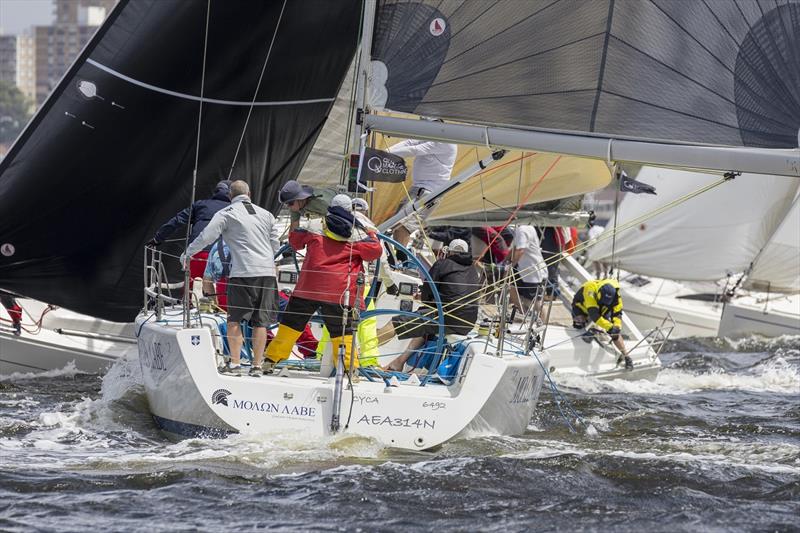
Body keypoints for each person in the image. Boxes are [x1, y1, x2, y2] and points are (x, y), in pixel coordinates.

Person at [264, 194, 383, 373]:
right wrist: (371, 233)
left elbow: (295, 242)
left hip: (308, 288)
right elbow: (375, 252)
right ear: (350, 210)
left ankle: (270, 361)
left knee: (290, 325)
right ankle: (349, 371)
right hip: (340, 292)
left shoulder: (315, 225)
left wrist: (295, 219)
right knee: (342, 333)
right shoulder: (358, 233)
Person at [183, 180, 279, 377]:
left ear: (230, 197)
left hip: (243, 273)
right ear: (250, 194)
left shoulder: (226, 214)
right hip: (267, 273)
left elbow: (205, 237)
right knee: (261, 322)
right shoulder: (266, 214)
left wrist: (188, 254)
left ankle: (235, 365)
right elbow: (275, 244)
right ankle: (257, 366)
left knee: (234, 320)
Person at [377, 239, 482, 372]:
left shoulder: (442, 264)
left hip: (446, 317)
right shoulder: (472, 269)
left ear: (448, 251)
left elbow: (428, 290)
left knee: (397, 322)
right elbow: (455, 294)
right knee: (425, 326)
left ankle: (362, 353)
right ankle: (398, 363)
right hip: (467, 323)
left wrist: (422, 297)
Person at [149, 180, 231, 284]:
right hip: (222, 257)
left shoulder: (200, 205)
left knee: (192, 293)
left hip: (197, 254)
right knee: (219, 294)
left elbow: (177, 221)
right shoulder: (235, 209)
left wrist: (157, 238)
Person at [387, 138, 458, 252]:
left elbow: (415, 150)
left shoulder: (445, 141)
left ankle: (400, 258)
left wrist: (384, 154)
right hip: (418, 189)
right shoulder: (429, 134)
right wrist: (386, 151)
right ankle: (396, 257)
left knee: (404, 226)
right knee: (396, 224)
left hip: (429, 194)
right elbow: (410, 142)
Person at [571, 278, 633, 370]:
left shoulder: (616, 297)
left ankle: (627, 357)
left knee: (615, 333)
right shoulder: (590, 289)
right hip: (582, 306)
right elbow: (594, 315)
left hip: (602, 309)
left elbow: (617, 314)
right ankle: (593, 329)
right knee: (579, 324)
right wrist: (609, 326)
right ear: (598, 293)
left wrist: (616, 327)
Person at [509, 225, 547, 314]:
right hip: (522, 269)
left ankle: (543, 323)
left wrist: (511, 265)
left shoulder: (522, 229)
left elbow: (520, 250)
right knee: (510, 286)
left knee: (536, 302)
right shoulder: (527, 227)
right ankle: (523, 312)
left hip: (532, 271)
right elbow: (514, 248)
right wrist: (505, 261)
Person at [202, 237, 231, 310]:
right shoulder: (252, 244)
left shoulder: (217, 246)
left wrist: (214, 307)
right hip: (246, 308)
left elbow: (207, 280)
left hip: (223, 307)